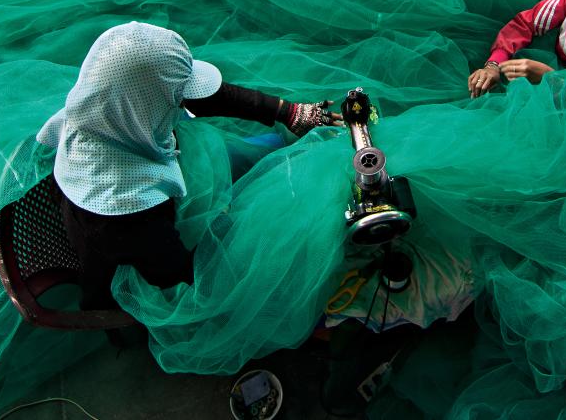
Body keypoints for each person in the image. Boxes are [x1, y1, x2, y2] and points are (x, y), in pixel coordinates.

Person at [36, 21, 343, 310]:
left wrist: (286, 111)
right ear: (150, 105)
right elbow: (182, 276)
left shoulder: (102, 114)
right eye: (177, 98)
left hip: (141, 231)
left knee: (250, 153)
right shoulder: (128, 213)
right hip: (147, 267)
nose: (183, 102)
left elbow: (199, 97)